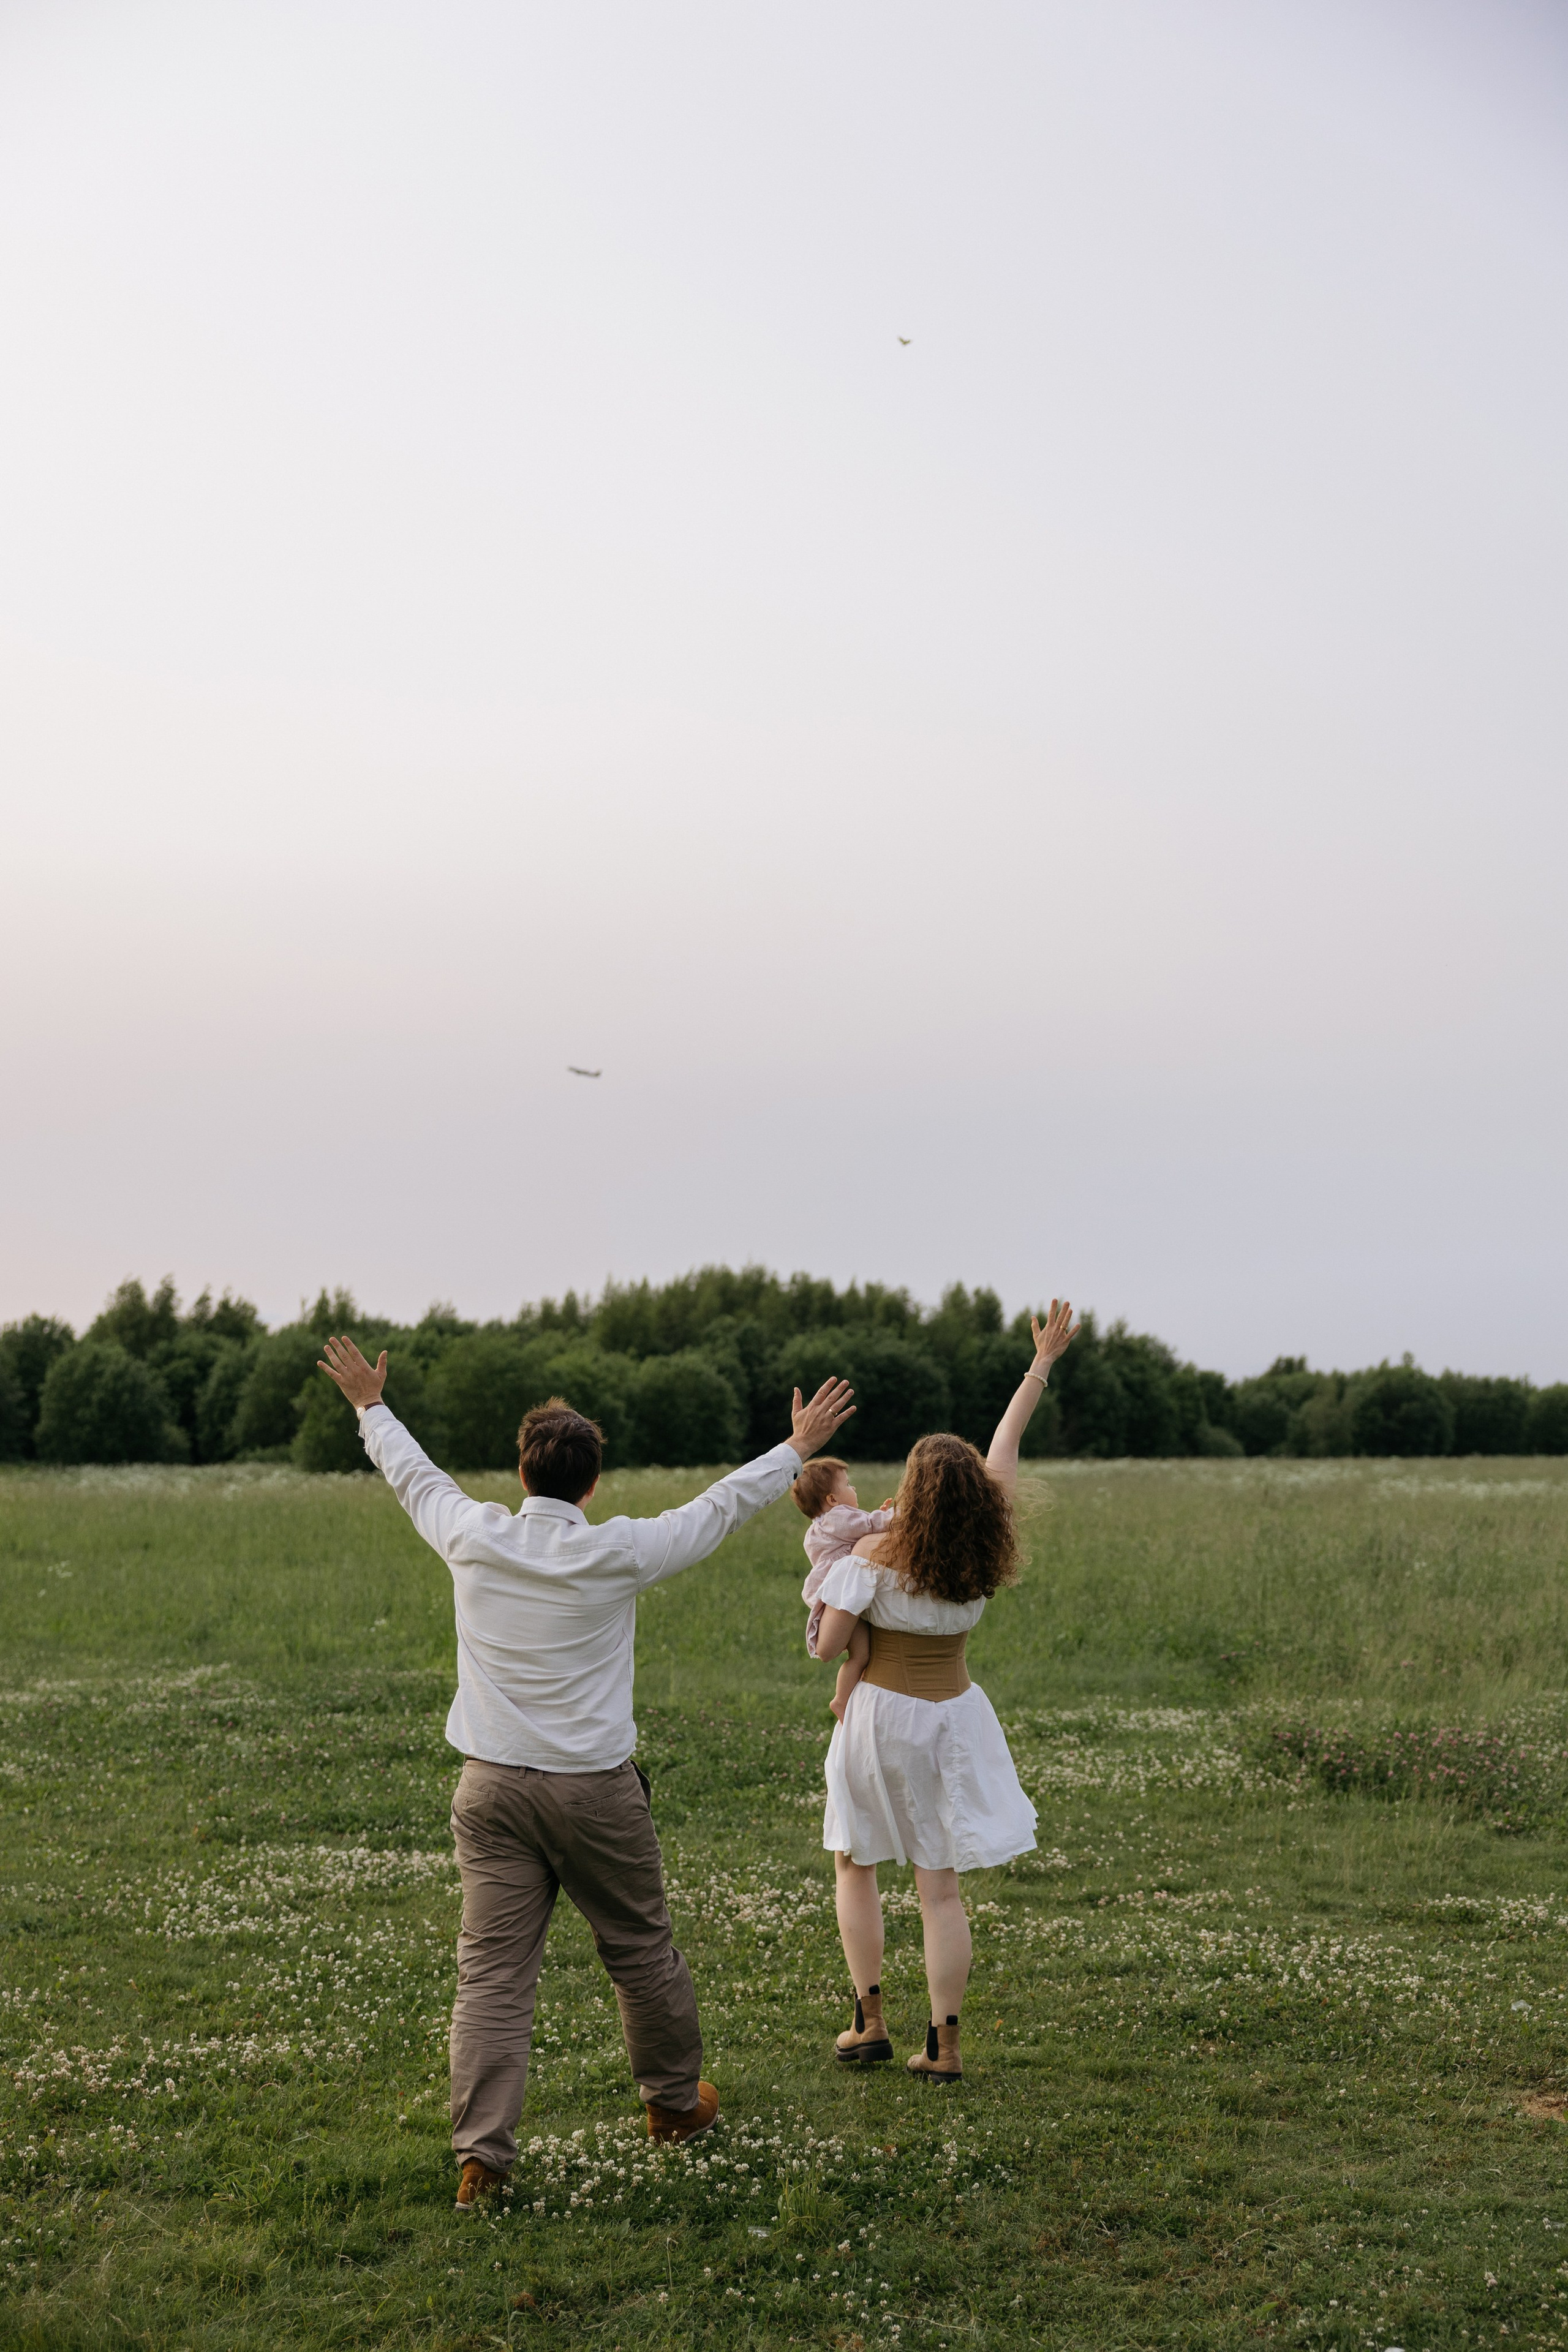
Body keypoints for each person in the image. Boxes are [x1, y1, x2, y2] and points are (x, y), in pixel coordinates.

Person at [314, 1334, 854, 2212]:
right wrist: (795, 1449)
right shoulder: (619, 1551)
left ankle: (481, 2160)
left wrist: (371, 1406)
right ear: (592, 1484)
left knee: (490, 1976)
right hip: (595, 1792)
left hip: (489, 1791)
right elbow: (716, 1510)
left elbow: (412, 1473)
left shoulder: (471, 1533)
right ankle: (675, 2110)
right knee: (641, 1952)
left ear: (521, 1475)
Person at [812, 1297, 1079, 2084]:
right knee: (940, 1889)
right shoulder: (979, 1552)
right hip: (955, 1716)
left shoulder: (874, 1559)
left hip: (879, 1718)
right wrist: (1041, 1365)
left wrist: (837, 1607)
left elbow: (827, 1644)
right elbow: (1007, 1441)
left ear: (913, 1491)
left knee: (854, 1863)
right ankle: (945, 2044)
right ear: (971, 1496)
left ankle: (868, 2021)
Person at [793, 1457, 893, 1721]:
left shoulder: (825, 1525)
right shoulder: (836, 1519)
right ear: (832, 1500)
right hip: (842, 1598)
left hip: (842, 1598)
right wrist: (894, 1517)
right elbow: (871, 1526)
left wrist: (874, 1517)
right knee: (861, 1655)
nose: (854, 1489)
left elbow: (861, 1530)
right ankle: (840, 1700)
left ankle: (844, 1699)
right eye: (848, 1484)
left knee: (862, 1655)